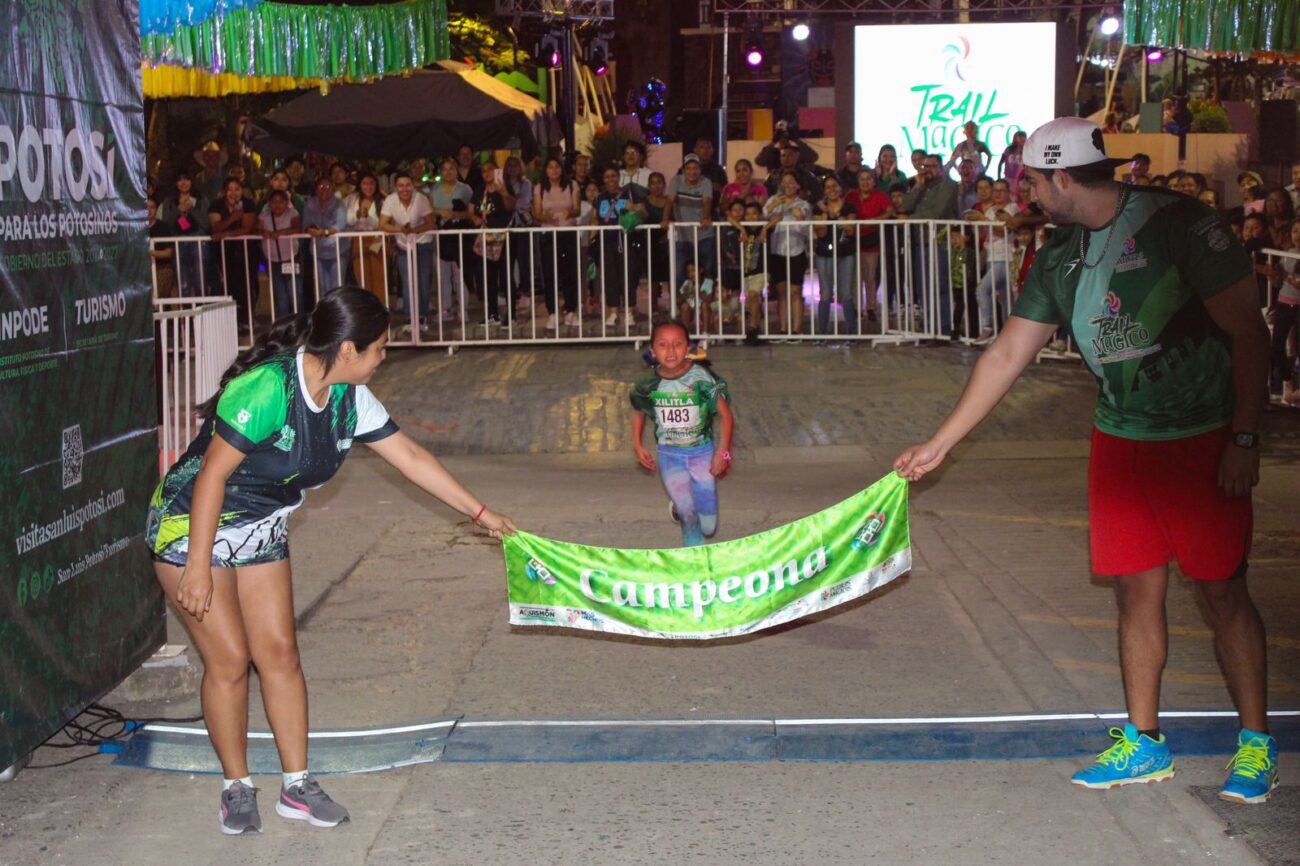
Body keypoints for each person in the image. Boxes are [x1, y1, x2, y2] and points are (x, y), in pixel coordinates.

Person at [894, 117, 1277, 804]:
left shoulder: (1180, 225)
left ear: (1064, 177)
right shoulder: (1059, 254)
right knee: (1135, 591)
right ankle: (1144, 741)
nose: (1028, 193)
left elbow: (1248, 332)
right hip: (1120, 439)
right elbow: (1007, 354)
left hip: (1203, 437)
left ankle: (1256, 744)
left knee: (1223, 592)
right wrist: (938, 443)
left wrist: (1244, 438)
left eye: (1034, 182)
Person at [145, 288, 515, 836]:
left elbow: (411, 457)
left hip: (261, 527)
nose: (383, 358)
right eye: (379, 348)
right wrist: (197, 565)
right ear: (347, 350)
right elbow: (211, 477)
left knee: (281, 654)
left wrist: (481, 513)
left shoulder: (349, 397)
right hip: (191, 526)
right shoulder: (267, 388)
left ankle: (296, 787)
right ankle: (236, 787)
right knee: (230, 660)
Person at [630, 319, 734, 547]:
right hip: (669, 455)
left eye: (677, 344)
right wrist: (637, 445)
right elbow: (639, 412)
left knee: (709, 526)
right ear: (652, 351)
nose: (670, 351)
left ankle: (682, 506)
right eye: (662, 345)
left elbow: (726, 416)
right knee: (689, 517)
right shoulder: (647, 385)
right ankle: (693, 562)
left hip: (701, 454)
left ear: (688, 348)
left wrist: (723, 453)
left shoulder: (702, 378)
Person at [900, 153, 959, 333]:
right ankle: (929, 326)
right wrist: (918, 187)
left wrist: (911, 218)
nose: (927, 170)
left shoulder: (948, 186)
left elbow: (937, 212)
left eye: (932, 166)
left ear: (941, 168)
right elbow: (904, 206)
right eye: (925, 166)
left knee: (939, 285)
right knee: (922, 286)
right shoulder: (921, 187)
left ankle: (943, 327)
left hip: (939, 242)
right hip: (920, 242)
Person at [593, 164, 648, 329]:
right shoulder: (599, 198)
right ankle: (613, 312)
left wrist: (635, 209)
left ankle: (629, 312)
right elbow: (595, 219)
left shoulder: (630, 194)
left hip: (627, 241)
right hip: (607, 242)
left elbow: (644, 214)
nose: (610, 179)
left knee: (628, 276)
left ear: (619, 177)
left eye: (613, 176)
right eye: (607, 177)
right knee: (610, 277)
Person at [967, 178, 1020, 342]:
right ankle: (1007, 337)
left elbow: (1006, 230)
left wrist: (983, 220)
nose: (998, 194)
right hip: (992, 257)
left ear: (1008, 192)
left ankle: (987, 327)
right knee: (1005, 300)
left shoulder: (1013, 209)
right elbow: (987, 237)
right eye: (995, 190)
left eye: (1001, 190)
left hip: (1006, 258)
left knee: (982, 290)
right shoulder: (990, 211)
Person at [761, 170, 813, 337]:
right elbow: (762, 217)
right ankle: (783, 329)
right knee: (781, 292)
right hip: (777, 251)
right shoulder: (774, 200)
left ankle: (797, 330)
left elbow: (806, 229)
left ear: (797, 186)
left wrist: (800, 219)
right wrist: (774, 205)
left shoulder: (803, 204)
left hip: (796, 251)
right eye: (785, 182)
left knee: (795, 291)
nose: (788, 185)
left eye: (791, 182)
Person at [380, 173, 436, 327]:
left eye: (407, 185)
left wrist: (413, 231)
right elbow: (382, 224)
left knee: (423, 280)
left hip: (423, 243)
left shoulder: (421, 199)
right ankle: (411, 316)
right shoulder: (390, 200)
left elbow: (430, 223)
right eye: (401, 185)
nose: (405, 189)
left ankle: (422, 315)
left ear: (413, 186)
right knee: (406, 280)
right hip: (403, 245)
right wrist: (400, 230)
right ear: (395, 187)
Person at [534, 156, 581, 329]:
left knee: (570, 273)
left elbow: (577, 209)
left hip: (568, 233)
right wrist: (545, 217)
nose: (554, 170)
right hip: (548, 234)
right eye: (550, 167)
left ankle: (570, 311)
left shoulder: (572, 185)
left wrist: (570, 213)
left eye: (557, 167)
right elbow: (537, 213)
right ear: (545, 171)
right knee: (549, 273)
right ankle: (552, 312)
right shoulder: (539, 188)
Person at [844, 168, 893, 330]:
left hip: (871, 240)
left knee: (870, 276)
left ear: (874, 181)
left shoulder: (880, 195)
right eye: (862, 179)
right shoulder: (851, 195)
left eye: (868, 179)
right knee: (855, 276)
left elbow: (889, 212)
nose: (865, 182)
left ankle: (870, 307)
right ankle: (856, 307)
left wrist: (874, 220)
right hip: (853, 240)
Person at [429, 158, 476, 320]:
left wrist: (454, 214)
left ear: (456, 170)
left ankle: (463, 309)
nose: (448, 172)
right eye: (445, 169)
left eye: (451, 169)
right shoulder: (435, 188)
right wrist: (441, 212)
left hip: (459, 235)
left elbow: (471, 213)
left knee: (459, 274)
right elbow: (430, 209)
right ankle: (445, 309)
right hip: (441, 234)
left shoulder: (465, 189)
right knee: (442, 275)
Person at [209, 177, 259, 329]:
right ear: (224, 191)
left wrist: (226, 234)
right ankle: (230, 320)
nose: (234, 193)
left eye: (237, 189)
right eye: (230, 189)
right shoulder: (216, 205)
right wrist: (232, 217)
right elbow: (216, 228)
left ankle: (246, 319)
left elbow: (247, 228)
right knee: (228, 285)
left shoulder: (248, 204)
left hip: (246, 251)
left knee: (246, 284)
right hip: (223, 252)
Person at [468, 160, 513, 325]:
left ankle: (511, 314)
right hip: (486, 238)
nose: (487, 173)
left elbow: (511, 207)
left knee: (506, 276)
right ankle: (492, 313)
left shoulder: (504, 186)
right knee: (489, 277)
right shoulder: (480, 190)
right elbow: (470, 209)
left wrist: (503, 193)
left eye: (490, 169)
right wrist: (474, 218)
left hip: (504, 237)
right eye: (484, 171)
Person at [812, 176, 859, 336]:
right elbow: (821, 232)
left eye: (834, 186)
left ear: (840, 188)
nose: (832, 190)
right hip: (824, 254)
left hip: (846, 253)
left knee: (846, 293)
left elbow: (850, 230)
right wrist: (826, 213)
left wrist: (838, 216)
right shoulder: (819, 208)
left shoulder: (849, 207)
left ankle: (851, 331)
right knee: (825, 294)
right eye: (828, 187)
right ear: (824, 191)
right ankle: (822, 331)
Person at [668, 155, 716, 289]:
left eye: (695, 168)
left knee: (707, 269)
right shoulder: (676, 181)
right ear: (683, 170)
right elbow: (669, 200)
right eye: (688, 168)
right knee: (679, 271)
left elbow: (707, 201)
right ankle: (681, 301)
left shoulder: (706, 182)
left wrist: (705, 217)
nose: (692, 171)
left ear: (700, 169)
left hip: (704, 235)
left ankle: (706, 299)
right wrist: (665, 219)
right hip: (682, 236)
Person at [157, 171, 209, 296]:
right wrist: (178, 210)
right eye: (180, 180)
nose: (183, 183)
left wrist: (192, 210)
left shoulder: (201, 199)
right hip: (178, 243)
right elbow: (166, 224)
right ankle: (185, 308)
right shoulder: (169, 201)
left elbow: (207, 224)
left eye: (187, 179)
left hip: (198, 242)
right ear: (176, 183)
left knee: (200, 282)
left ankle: (201, 307)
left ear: (192, 181)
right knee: (183, 284)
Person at [258, 190, 305, 318]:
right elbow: (257, 229)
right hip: (272, 260)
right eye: (274, 202)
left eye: (281, 201)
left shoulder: (292, 213)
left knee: (294, 293)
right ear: (269, 203)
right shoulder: (264, 215)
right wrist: (263, 232)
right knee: (280, 296)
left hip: (291, 258)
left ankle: (299, 322)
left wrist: (279, 233)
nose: (277, 204)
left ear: (286, 202)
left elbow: (297, 228)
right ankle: (284, 324)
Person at [1268, 220, 1300, 404]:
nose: (1298, 235)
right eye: (1295, 231)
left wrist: (1286, 277)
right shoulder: (1287, 254)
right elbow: (1277, 282)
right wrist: (1272, 274)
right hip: (1283, 303)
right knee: (1276, 346)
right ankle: (1288, 381)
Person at [301, 177, 349, 299]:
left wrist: (324, 232)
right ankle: (325, 309)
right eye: (321, 186)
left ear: (333, 189)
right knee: (322, 287)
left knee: (337, 286)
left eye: (328, 187)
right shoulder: (310, 203)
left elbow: (340, 224)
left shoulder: (339, 204)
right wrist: (309, 229)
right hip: (318, 251)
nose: (324, 189)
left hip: (337, 250)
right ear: (316, 189)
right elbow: (306, 222)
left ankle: (336, 309)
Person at [343, 173, 387, 304]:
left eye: (372, 183)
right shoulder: (352, 198)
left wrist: (368, 217)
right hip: (358, 238)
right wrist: (357, 215)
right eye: (365, 183)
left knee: (378, 274)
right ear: (360, 185)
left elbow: (382, 224)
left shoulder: (382, 200)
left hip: (376, 238)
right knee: (361, 274)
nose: (369, 187)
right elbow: (348, 220)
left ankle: (380, 306)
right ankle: (366, 307)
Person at [643, 171, 675, 312]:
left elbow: (674, 218)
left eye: (659, 182)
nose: (656, 186)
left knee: (671, 274)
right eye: (653, 183)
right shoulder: (644, 202)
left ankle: (674, 307)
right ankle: (654, 308)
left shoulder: (669, 201)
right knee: (653, 277)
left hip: (667, 242)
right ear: (648, 186)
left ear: (664, 185)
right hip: (650, 242)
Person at [997, 130, 1027, 197]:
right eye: (1019, 138)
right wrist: (999, 178)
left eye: (1023, 139)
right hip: (1008, 178)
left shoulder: (1027, 150)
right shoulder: (1008, 149)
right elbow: (1000, 164)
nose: (1021, 140)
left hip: (1021, 179)